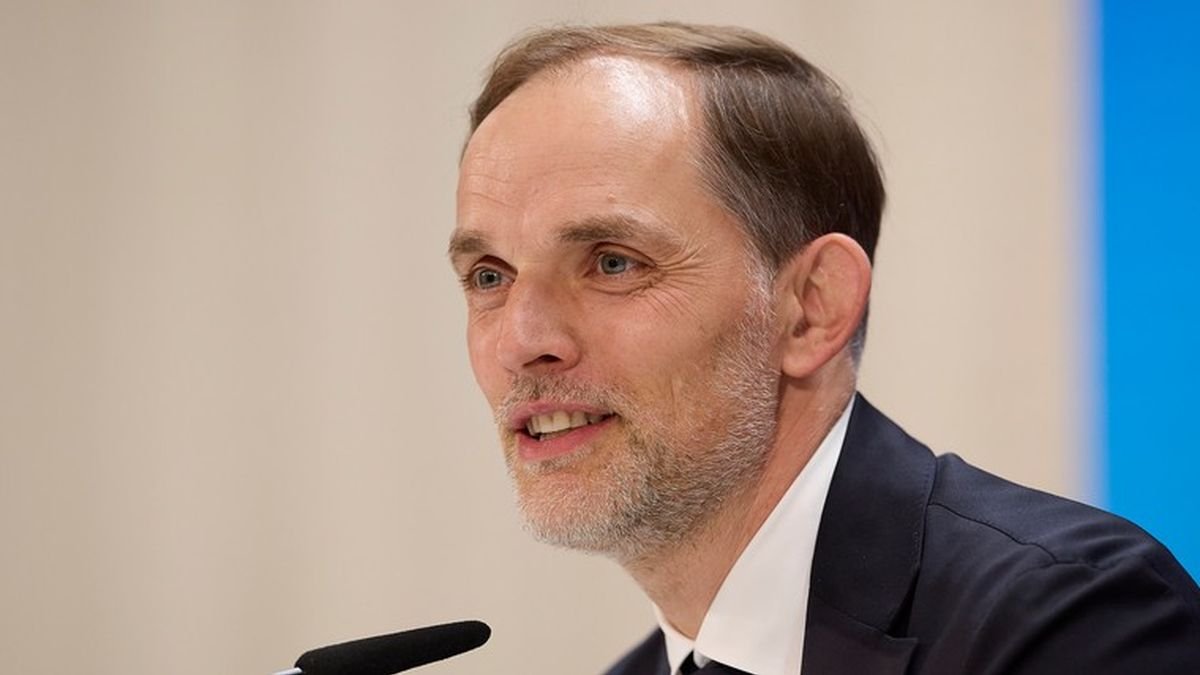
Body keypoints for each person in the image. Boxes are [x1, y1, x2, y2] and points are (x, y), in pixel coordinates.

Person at [448, 22, 1200, 675]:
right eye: (489, 276)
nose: (521, 341)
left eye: (613, 263)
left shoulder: (1074, 623)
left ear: (813, 307)